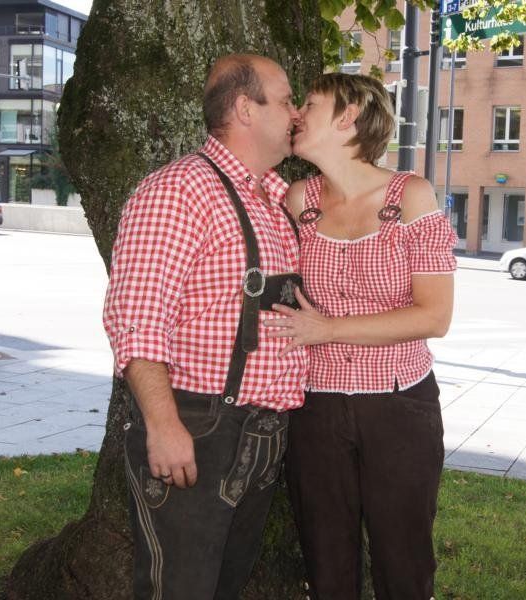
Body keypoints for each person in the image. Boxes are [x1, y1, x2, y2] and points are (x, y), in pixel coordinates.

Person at [102, 54, 307, 600]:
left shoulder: (271, 199)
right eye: (286, 100)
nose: (296, 112)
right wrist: (164, 424)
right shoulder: (180, 190)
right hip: (199, 427)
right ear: (245, 108)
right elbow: (137, 316)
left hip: (260, 434)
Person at [264, 73, 457, 600]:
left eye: (310, 103)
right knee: (327, 563)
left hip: (399, 405)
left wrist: (328, 329)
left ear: (348, 116)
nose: (297, 113)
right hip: (316, 406)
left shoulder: (410, 195)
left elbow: (435, 316)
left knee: (404, 563)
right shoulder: (297, 200)